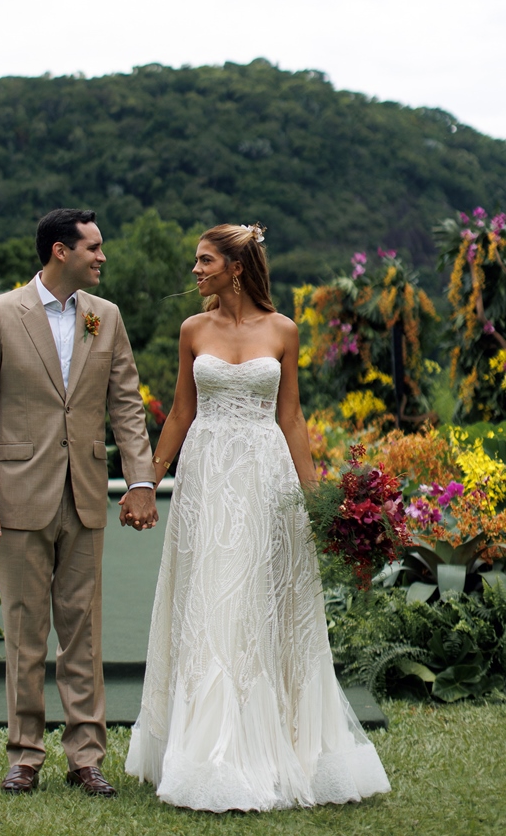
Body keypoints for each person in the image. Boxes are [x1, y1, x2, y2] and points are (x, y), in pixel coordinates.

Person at [123, 223, 391, 811]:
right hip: (207, 481)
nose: (195, 271)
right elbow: (178, 415)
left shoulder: (284, 331)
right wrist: (146, 480)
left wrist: (317, 502)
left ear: (235, 267)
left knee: (259, 603)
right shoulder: (193, 330)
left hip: (265, 478)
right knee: (212, 599)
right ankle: (206, 751)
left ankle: (273, 746)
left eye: (204, 261)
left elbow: (292, 419)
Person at [0, 208, 158, 798]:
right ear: (59, 251)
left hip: (87, 491)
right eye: (93, 248)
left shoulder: (107, 317)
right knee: (25, 632)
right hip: (17, 494)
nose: (102, 257)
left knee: (85, 632)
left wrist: (141, 480)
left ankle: (85, 758)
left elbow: (126, 403)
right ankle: (24, 755)